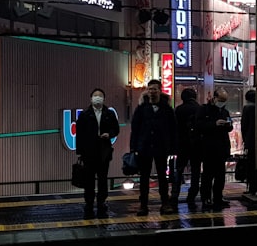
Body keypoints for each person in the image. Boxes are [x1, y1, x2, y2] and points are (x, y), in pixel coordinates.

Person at [129, 79, 179, 216]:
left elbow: (173, 129)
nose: (152, 92)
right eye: (150, 89)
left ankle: (165, 203)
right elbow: (135, 128)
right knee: (144, 177)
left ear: (160, 90)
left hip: (161, 147)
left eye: (155, 89)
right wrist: (133, 148)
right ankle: (143, 205)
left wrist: (173, 148)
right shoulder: (141, 108)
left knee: (163, 176)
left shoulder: (167, 109)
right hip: (144, 147)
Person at [74, 88, 120, 219]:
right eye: (95, 96)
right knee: (89, 180)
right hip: (88, 152)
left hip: (104, 151)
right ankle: (89, 203)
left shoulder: (109, 113)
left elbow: (116, 129)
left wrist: (109, 134)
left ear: (104, 99)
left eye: (100, 96)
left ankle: (101, 202)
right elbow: (80, 135)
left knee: (103, 179)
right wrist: (80, 152)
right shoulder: (84, 114)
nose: (97, 98)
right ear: (91, 99)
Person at [194, 87, 234, 211]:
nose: (222, 102)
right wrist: (214, 124)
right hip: (208, 148)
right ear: (215, 98)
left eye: (224, 100)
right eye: (221, 99)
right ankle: (206, 198)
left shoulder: (224, 111)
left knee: (220, 176)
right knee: (207, 175)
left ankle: (218, 197)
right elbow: (198, 126)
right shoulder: (204, 109)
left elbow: (229, 127)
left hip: (221, 148)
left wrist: (228, 125)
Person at [174, 87, 203, 207]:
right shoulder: (200, 109)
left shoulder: (178, 110)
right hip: (197, 145)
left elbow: (174, 128)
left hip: (182, 144)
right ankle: (192, 194)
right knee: (195, 170)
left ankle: (175, 194)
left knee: (179, 170)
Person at [240, 89, 257, 195]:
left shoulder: (247, 108)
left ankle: (251, 188)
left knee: (250, 165)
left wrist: (245, 141)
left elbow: (244, 127)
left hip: (250, 142)